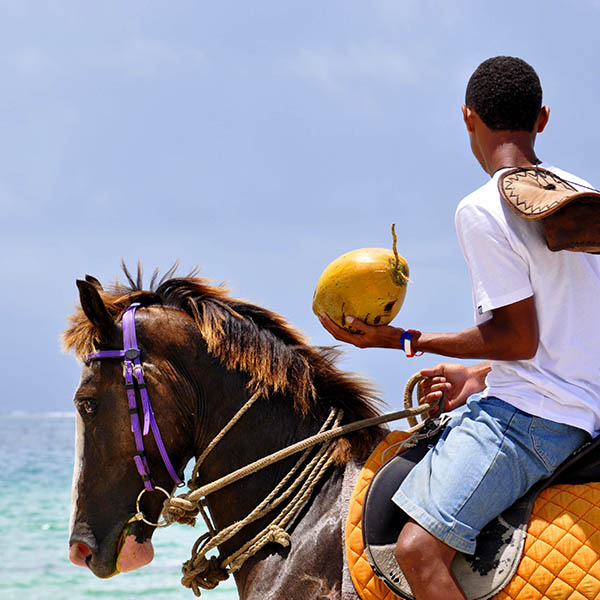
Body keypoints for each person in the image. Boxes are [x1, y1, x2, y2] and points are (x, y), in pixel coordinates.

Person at [318, 56, 600, 600]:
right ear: (542, 119)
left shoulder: (482, 209)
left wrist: (400, 339)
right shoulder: (582, 195)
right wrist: (478, 374)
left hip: (533, 422)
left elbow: (520, 338)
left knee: (417, 551)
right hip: (579, 406)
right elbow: (573, 333)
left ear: (467, 117)